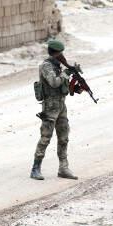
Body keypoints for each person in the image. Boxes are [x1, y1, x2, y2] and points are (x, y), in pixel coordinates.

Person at [30, 40, 78, 181]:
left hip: (61, 105)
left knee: (64, 137)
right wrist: (66, 73)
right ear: (54, 53)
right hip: (50, 107)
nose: (61, 55)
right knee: (46, 137)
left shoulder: (58, 66)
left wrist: (75, 85)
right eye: (59, 53)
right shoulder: (46, 66)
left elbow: (64, 87)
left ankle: (63, 168)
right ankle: (36, 168)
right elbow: (54, 82)